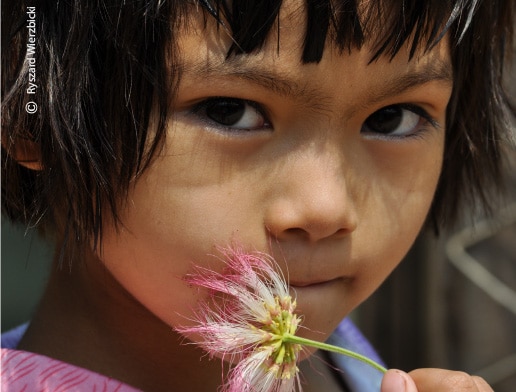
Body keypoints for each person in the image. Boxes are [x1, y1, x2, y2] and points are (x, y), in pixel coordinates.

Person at [1, 0, 514, 391]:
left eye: (392, 118)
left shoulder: (331, 354)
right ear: (33, 120)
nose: (326, 209)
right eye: (229, 111)